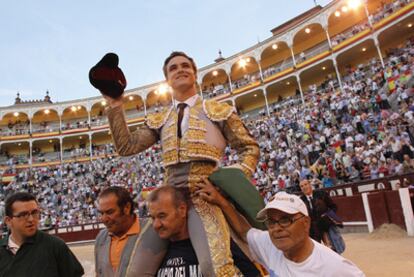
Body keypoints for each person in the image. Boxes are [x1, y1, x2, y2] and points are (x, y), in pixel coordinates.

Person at [101, 51, 260, 276]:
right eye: (173, 68)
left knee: (214, 268)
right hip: (168, 201)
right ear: (167, 79)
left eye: (185, 65)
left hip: (203, 198)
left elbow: (250, 148)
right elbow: (126, 147)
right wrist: (115, 105)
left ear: (194, 74)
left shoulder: (218, 110)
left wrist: (230, 182)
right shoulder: (161, 118)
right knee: (135, 271)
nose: (180, 69)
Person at [195, 179, 365, 276]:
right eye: (271, 222)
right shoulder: (270, 245)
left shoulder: (335, 268)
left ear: (305, 223)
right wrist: (220, 201)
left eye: (285, 220)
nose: (276, 228)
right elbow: (244, 231)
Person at [147, 185, 261, 277]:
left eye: (162, 216)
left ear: (182, 210)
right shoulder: (153, 256)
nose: (156, 225)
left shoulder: (217, 243)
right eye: (152, 218)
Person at [0, 192, 84, 277]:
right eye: (23, 215)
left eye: (34, 213)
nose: (31, 219)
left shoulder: (55, 246)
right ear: (8, 220)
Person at [95, 186, 166, 277]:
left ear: (127, 208)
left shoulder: (154, 229)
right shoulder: (101, 238)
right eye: (101, 213)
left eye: (110, 212)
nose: (104, 219)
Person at [299, 179, 338, 243]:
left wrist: (327, 216)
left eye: (305, 184)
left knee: (332, 249)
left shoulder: (321, 194)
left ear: (310, 185)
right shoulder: (300, 201)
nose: (304, 187)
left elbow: (333, 207)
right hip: (313, 230)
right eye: (301, 186)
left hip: (325, 226)